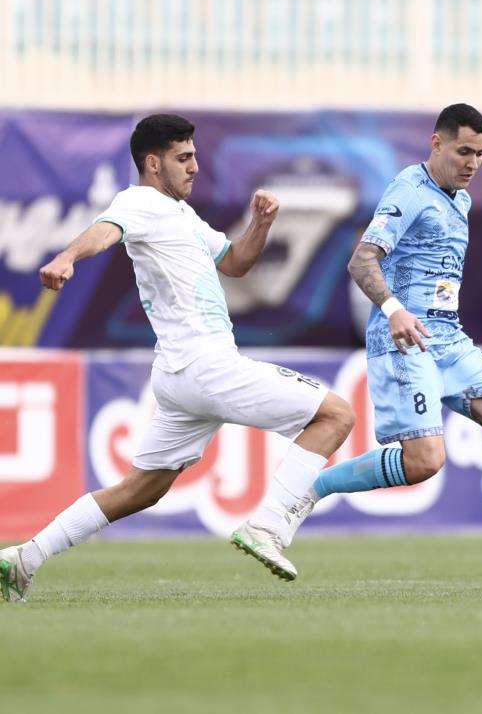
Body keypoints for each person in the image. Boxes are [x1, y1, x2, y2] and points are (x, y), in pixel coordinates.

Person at [0, 114, 354, 603]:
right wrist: (66, 258)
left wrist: (261, 224)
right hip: (206, 365)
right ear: (153, 163)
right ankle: (268, 526)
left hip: (178, 374)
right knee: (336, 414)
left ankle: (26, 557)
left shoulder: (181, 214)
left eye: (194, 156)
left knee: (140, 489)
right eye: (183, 158)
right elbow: (105, 230)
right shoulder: (139, 202)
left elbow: (235, 262)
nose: (194, 167)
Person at [281, 103, 482, 596]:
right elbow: (361, 260)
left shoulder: (461, 200)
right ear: (436, 143)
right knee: (423, 462)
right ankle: (314, 487)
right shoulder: (409, 189)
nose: (473, 163)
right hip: (404, 339)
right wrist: (394, 308)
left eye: (481, 154)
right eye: (464, 151)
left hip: (448, 339)